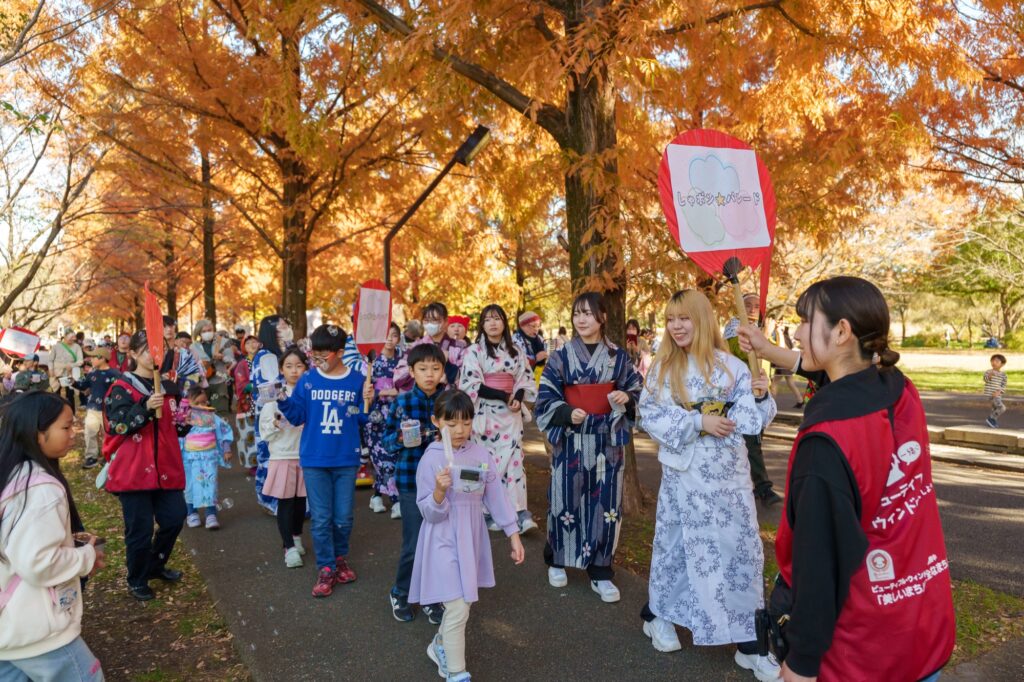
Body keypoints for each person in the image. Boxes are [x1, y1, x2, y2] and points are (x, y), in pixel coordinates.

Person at [743, 277, 955, 682]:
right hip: (922, 626)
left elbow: (819, 565)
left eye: (806, 321)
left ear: (842, 332)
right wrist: (770, 351)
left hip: (862, 650)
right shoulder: (897, 388)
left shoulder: (827, 442)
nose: (798, 331)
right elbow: (840, 378)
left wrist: (801, 664)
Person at [636, 289, 780, 681]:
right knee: (678, 548)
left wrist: (761, 395)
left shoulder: (733, 367)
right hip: (685, 478)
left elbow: (753, 423)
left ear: (702, 320)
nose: (677, 326)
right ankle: (660, 615)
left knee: (739, 552)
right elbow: (647, 413)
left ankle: (749, 642)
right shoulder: (662, 368)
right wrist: (698, 422)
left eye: (684, 318)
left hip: (729, 480)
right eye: (670, 319)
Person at [410, 390, 526, 682]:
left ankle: (440, 646)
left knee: (463, 603)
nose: (460, 430)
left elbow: (495, 495)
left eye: (466, 422)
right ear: (437, 422)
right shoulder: (430, 460)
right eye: (452, 424)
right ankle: (457, 672)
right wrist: (438, 491)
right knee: (458, 606)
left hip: (471, 537)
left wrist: (513, 533)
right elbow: (428, 512)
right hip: (442, 539)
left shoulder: (480, 454)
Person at [535, 292, 643, 602]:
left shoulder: (618, 356)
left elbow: (636, 390)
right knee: (565, 497)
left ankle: (600, 570)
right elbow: (546, 396)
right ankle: (557, 559)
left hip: (607, 440)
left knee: (606, 505)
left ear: (603, 317)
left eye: (588, 313)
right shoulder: (560, 356)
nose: (581, 319)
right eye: (576, 314)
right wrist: (567, 412)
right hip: (571, 438)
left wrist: (627, 399)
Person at [0, 392, 105, 681]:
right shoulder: (41, 489)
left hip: (10, 631)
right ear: (38, 433)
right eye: (67, 427)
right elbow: (38, 563)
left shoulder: (12, 475)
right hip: (39, 632)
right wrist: (85, 556)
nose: (75, 433)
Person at [277, 324, 372, 598]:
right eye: (314, 356)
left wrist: (369, 401)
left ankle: (340, 557)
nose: (317, 361)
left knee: (343, 517)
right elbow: (297, 416)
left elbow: (362, 418)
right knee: (320, 518)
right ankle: (326, 566)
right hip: (315, 459)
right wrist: (282, 399)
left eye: (323, 356)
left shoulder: (357, 380)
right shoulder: (308, 381)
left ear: (340, 353)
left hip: (345, 458)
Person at [103, 331, 190, 601]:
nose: (155, 356)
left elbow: (175, 429)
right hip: (134, 471)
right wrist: (144, 407)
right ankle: (137, 578)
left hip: (166, 468)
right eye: (147, 351)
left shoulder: (168, 386)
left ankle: (156, 564)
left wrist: (183, 421)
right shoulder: (121, 387)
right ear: (132, 355)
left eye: (160, 350)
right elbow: (118, 424)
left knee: (175, 518)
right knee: (139, 530)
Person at [458, 304, 538, 533]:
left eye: (497, 318)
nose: (493, 323)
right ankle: (485, 511)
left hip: (511, 414)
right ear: (482, 325)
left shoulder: (516, 351)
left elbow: (524, 378)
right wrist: (503, 395)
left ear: (504, 322)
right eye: (487, 319)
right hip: (485, 413)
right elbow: (470, 384)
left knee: (515, 463)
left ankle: (520, 512)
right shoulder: (474, 351)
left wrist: (518, 396)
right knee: (487, 462)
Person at [385, 342, 447, 623]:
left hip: (444, 482)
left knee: (440, 543)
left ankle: (433, 597)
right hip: (411, 480)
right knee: (414, 542)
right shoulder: (402, 401)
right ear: (412, 371)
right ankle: (400, 592)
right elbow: (386, 442)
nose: (430, 374)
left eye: (435, 368)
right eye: (423, 369)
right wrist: (403, 438)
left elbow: (464, 433)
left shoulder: (450, 401)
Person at [723, 292, 782, 508]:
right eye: (748, 304)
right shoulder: (735, 327)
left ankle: (753, 485)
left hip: (760, 392)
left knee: (755, 440)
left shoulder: (761, 328)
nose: (752, 309)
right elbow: (738, 352)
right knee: (751, 440)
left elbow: (773, 355)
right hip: (741, 394)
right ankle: (763, 488)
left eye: (757, 305)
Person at [260, 349, 309, 568]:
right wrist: (275, 424)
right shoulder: (273, 394)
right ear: (281, 369)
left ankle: (297, 536)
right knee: (286, 503)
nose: (294, 371)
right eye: (289, 366)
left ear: (306, 368)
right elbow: (264, 429)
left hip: (306, 455)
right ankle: (288, 546)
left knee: (300, 504)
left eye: (299, 365)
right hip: (282, 455)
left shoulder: (309, 393)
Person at [250, 315, 294, 514]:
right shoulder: (267, 356)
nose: (286, 328)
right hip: (274, 414)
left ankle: (287, 501)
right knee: (273, 455)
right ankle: (273, 500)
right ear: (272, 331)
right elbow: (269, 390)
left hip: (287, 410)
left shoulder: (283, 352)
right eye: (282, 326)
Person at [364, 323, 404, 518]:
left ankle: (377, 495)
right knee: (380, 457)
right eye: (386, 335)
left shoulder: (403, 358)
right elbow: (365, 387)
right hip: (376, 414)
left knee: (394, 455)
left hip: (397, 412)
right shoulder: (371, 359)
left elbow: (409, 383)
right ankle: (395, 501)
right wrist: (383, 392)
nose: (390, 339)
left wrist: (395, 392)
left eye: (394, 335)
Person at [182, 386, 234, 531]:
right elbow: (178, 436)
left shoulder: (212, 417)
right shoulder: (184, 418)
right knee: (190, 485)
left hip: (208, 456)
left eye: (205, 402)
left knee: (209, 483)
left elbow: (224, 430)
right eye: (197, 403)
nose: (202, 406)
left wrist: (226, 448)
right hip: (189, 457)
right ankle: (191, 513)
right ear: (188, 402)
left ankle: (211, 514)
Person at [72, 347, 121, 470]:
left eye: (93, 357)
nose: (91, 359)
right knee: (90, 432)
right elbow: (83, 385)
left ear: (102, 359)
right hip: (93, 408)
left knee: (108, 433)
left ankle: (108, 454)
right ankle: (91, 457)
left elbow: (120, 390)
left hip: (108, 410)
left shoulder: (115, 374)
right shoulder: (92, 374)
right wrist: (73, 382)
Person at [394, 303, 459, 391]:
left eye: (434, 320)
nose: (430, 324)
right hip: (420, 401)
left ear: (446, 322)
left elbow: (466, 379)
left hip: (447, 401)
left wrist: (448, 374)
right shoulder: (415, 346)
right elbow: (400, 376)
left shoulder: (458, 347)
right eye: (426, 320)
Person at [191, 320, 234, 412]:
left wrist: (222, 358)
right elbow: (191, 365)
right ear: (199, 333)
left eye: (209, 330)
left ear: (213, 330)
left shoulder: (223, 342)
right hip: (201, 384)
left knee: (220, 412)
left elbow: (231, 361)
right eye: (204, 331)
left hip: (220, 382)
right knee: (202, 413)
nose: (207, 333)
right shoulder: (193, 347)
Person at [233, 335, 260, 469]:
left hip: (263, 402)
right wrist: (256, 385)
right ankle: (252, 465)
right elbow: (241, 385)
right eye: (248, 343)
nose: (252, 345)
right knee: (249, 435)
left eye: (254, 342)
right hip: (247, 405)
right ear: (244, 347)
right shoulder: (242, 364)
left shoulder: (264, 360)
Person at [51, 329, 84, 410]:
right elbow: (51, 360)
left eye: (73, 337)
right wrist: (51, 370)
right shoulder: (56, 346)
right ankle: (56, 413)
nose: (71, 339)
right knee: (56, 394)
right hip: (58, 372)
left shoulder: (77, 347)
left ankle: (71, 413)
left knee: (70, 394)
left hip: (70, 373)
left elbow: (81, 361)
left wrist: (72, 365)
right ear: (65, 337)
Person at [513, 311, 548, 378]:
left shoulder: (539, 338)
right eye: (533, 326)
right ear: (523, 326)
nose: (536, 329)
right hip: (522, 380)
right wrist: (535, 359)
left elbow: (548, 352)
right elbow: (515, 362)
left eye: (538, 326)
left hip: (540, 377)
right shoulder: (515, 340)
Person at [984, 354, 1008, 428]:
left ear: (1002, 364)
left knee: (995, 409)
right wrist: (989, 376)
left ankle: (992, 421)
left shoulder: (1003, 375)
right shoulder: (988, 372)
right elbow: (985, 379)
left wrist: (999, 392)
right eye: (992, 361)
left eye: (997, 361)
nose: (994, 363)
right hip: (990, 395)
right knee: (1002, 408)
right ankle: (991, 419)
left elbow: (1003, 385)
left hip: (998, 395)